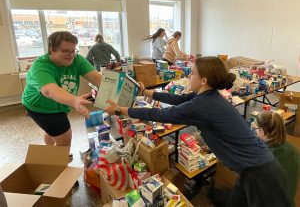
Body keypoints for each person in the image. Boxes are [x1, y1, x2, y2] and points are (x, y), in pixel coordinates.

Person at [104, 56, 291, 206]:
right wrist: (146, 92)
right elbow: (178, 100)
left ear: (203, 80)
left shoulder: (202, 105)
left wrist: (121, 110)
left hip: (260, 173)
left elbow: (160, 114)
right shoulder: (208, 96)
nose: (188, 77)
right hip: (254, 166)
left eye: (192, 73)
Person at [22, 31, 102, 161]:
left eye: (73, 50)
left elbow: (95, 77)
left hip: (60, 104)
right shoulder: (40, 66)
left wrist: (115, 89)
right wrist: (74, 100)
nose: (71, 55)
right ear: (52, 50)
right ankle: (58, 168)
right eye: (65, 51)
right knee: (64, 137)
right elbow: (50, 91)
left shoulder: (76, 59)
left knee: (52, 131)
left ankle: (52, 151)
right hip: (40, 107)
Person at [255, 111, 300, 206]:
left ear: (262, 132)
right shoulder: (293, 150)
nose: (255, 130)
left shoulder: (263, 158)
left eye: (256, 129)